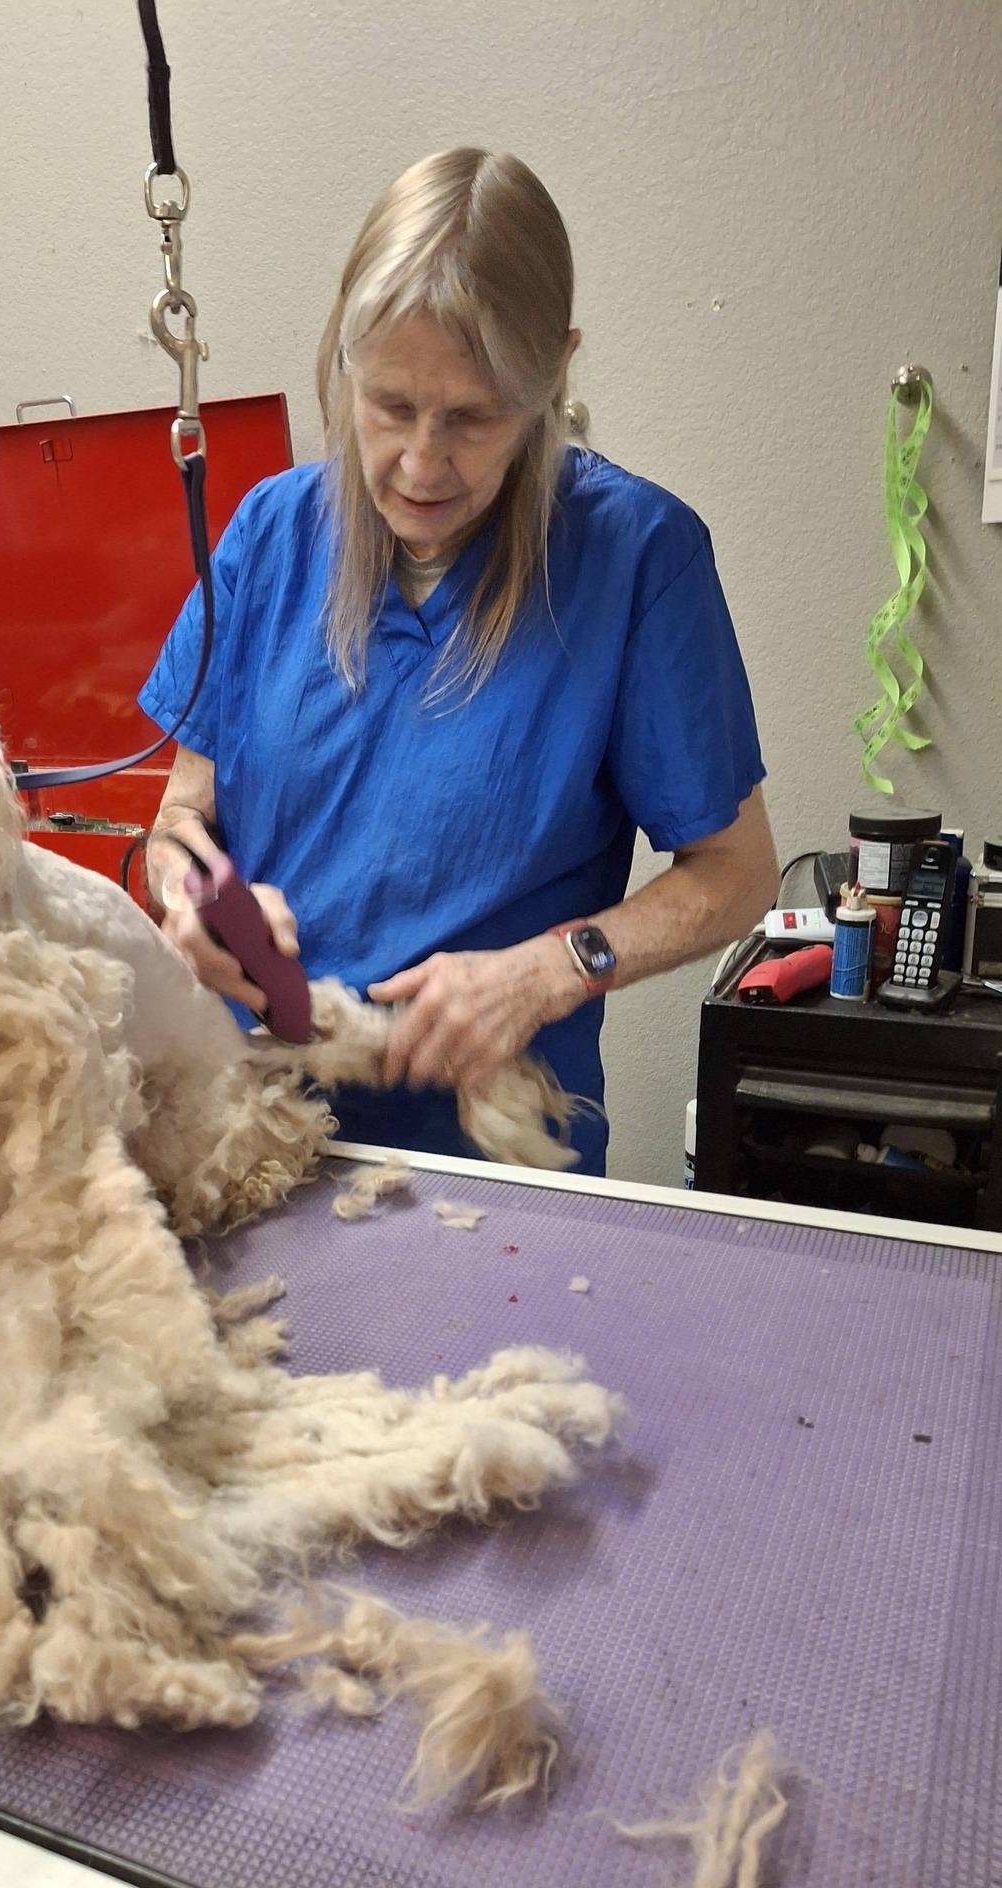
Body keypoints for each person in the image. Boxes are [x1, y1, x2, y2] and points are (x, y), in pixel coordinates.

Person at [139, 148, 778, 1173]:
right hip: (247, 1135)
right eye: (388, 404)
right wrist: (188, 891)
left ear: (552, 373)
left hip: (493, 1163)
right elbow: (178, 817)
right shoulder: (270, 534)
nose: (420, 463)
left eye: (472, 418)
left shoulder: (637, 558)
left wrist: (550, 970)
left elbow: (738, 876)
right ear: (344, 357)